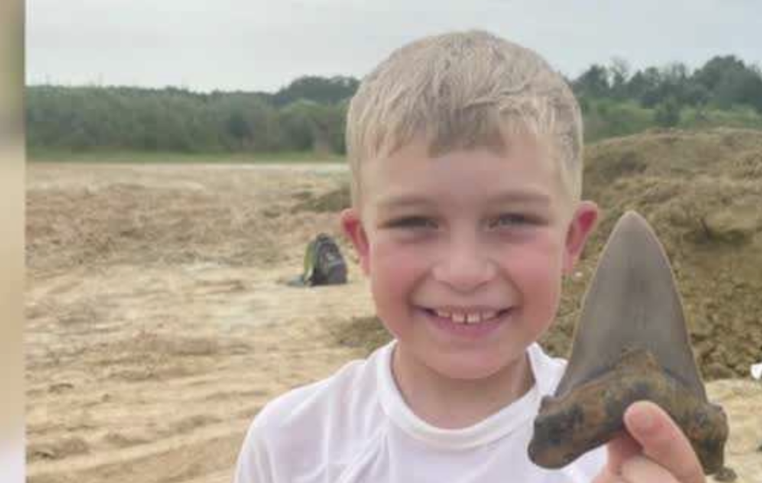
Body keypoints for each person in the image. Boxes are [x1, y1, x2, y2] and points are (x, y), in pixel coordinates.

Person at [233, 31, 706, 483]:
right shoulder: (291, 443)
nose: (463, 272)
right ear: (363, 244)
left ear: (571, 240)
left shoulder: (627, 446)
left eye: (511, 220)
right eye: (414, 222)